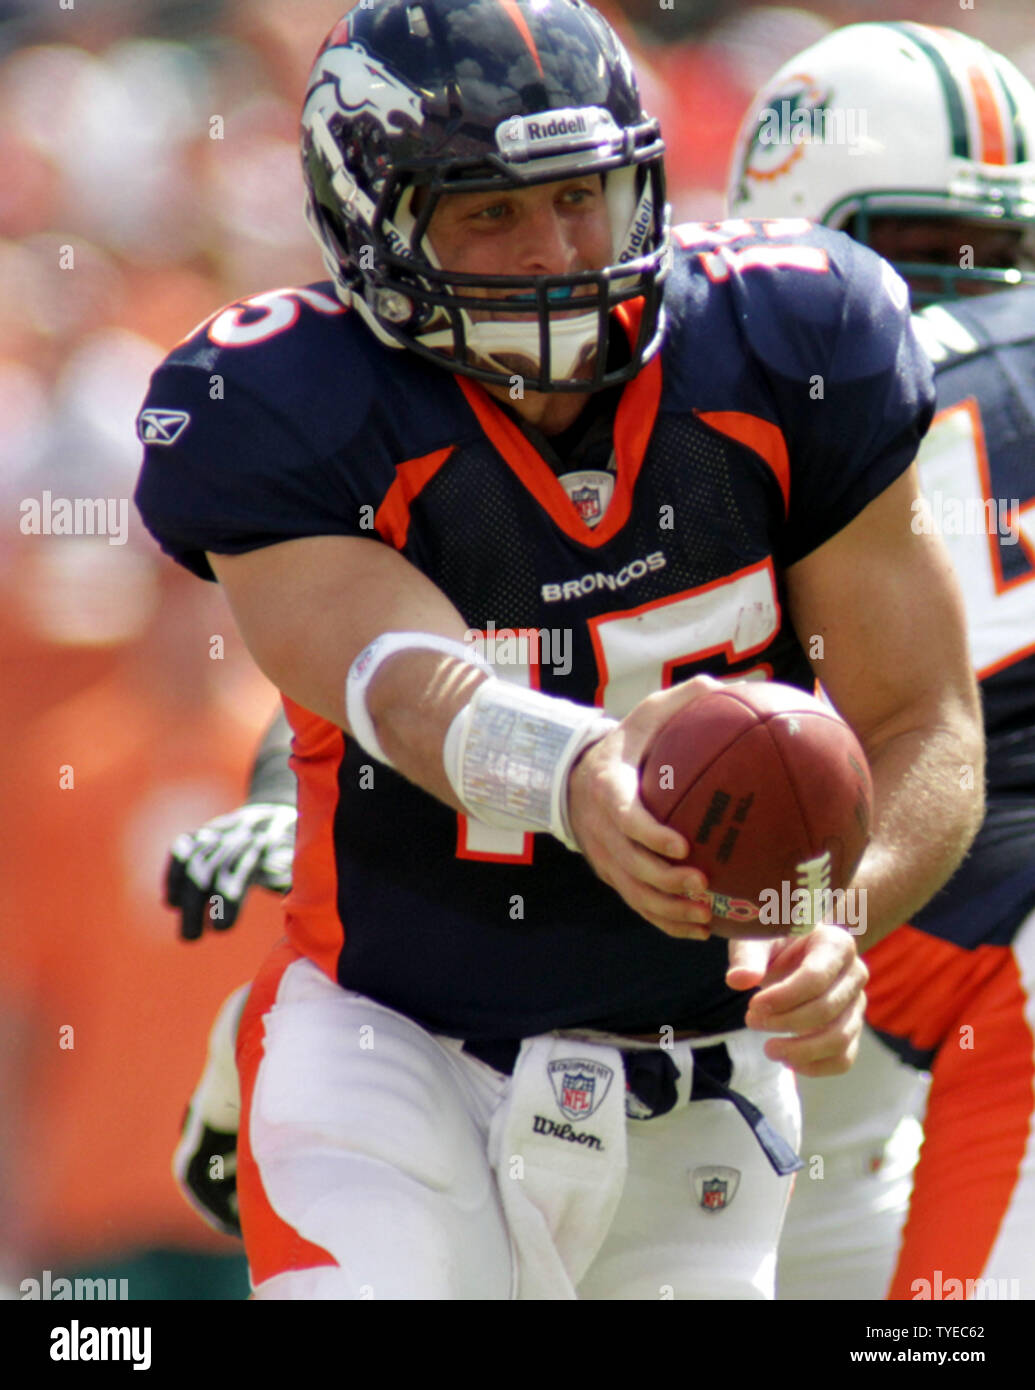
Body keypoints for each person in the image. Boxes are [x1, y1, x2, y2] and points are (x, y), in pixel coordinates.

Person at [135, 0, 982, 1300]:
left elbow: (923, 719)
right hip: (395, 1047)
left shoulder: (786, 346)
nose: (557, 249)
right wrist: (578, 775)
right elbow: (394, 676)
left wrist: (829, 914)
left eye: (584, 193)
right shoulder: (286, 404)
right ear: (375, 222)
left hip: (702, 1085)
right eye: (490, 212)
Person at [728, 18, 1035, 1300]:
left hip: (925, 986)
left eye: (1006, 259)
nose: (976, 291)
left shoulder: (744, 413)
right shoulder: (723, 413)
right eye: (924, 253)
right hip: (799, 1031)